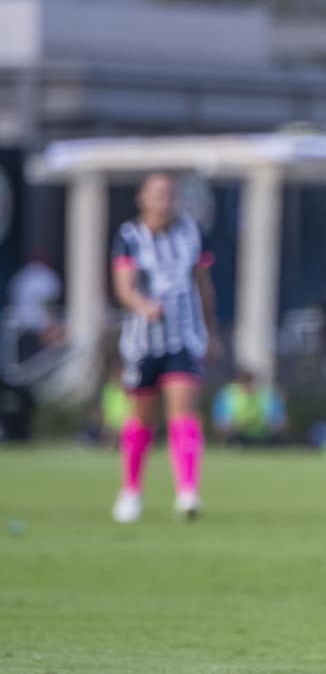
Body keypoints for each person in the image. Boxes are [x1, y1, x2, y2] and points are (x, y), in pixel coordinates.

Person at [110, 171, 220, 522]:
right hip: (143, 342)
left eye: (170, 193)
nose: (164, 199)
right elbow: (124, 288)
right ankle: (131, 491)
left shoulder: (191, 233)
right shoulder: (130, 237)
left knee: (183, 411)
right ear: (143, 198)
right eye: (157, 193)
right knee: (142, 418)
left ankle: (187, 492)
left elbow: (203, 285)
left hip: (183, 337)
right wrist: (144, 306)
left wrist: (211, 331)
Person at [7, 250, 65, 362]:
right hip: (39, 326)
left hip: (20, 326)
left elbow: (12, 301)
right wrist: (53, 325)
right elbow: (48, 304)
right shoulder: (46, 276)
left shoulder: (21, 275)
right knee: (41, 360)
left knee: (25, 360)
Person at [212, 367, 288, 445]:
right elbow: (220, 425)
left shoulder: (268, 395)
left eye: (251, 379)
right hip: (238, 438)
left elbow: (282, 423)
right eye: (246, 379)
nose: (249, 384)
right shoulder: (228, 395)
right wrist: (237, 426)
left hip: (264, 437)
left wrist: (270, 425)